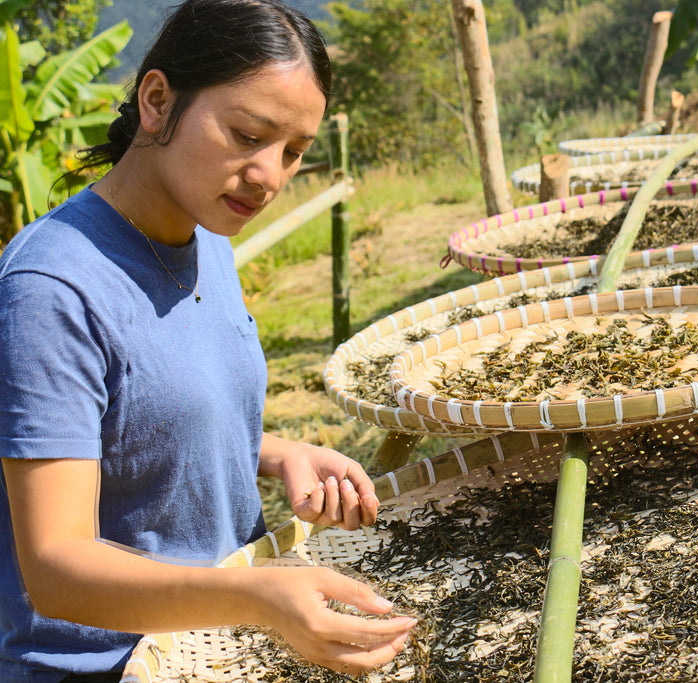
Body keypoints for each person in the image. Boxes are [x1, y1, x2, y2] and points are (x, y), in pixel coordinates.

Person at [0, 1, 417, 680]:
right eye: (248, 134)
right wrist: (259, 597)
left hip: (222, 644)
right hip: (110, 664)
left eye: (292, 152)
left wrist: (280, 453)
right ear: (158, 101)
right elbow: (54, 565)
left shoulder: (208, 236)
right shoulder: (51, 287)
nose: (270, 176)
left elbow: (138, 418)